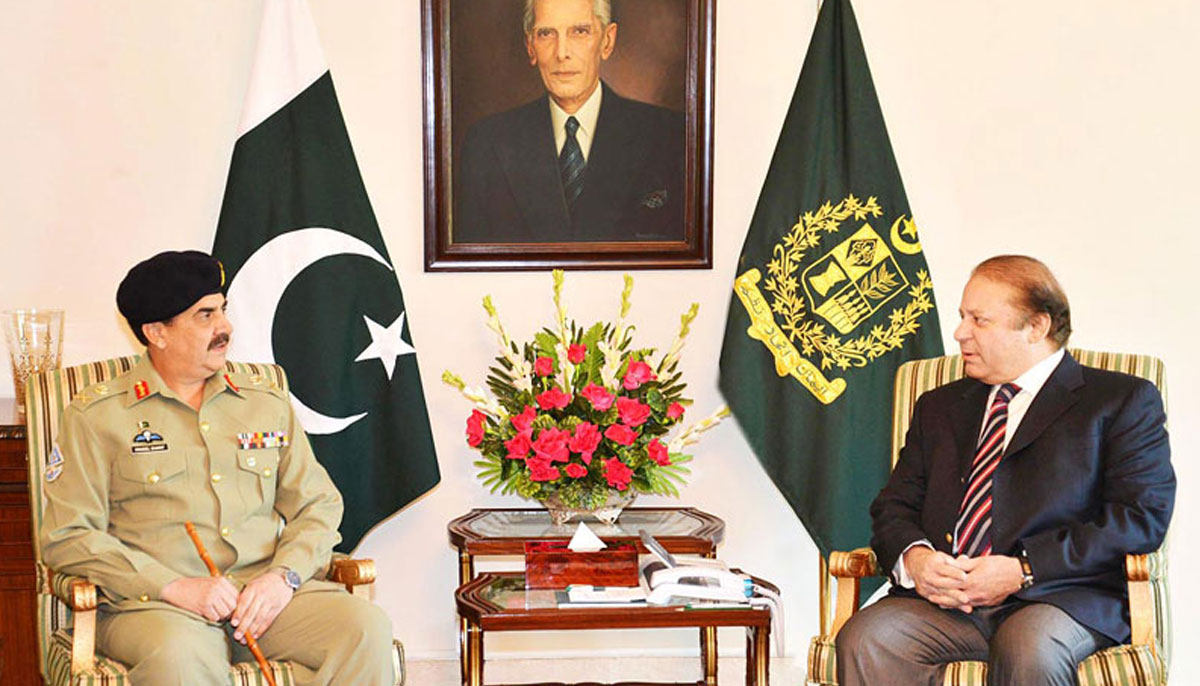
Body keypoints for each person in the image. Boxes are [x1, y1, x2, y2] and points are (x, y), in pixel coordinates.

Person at [40, 251, 394, 686]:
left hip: (262, 598)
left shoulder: (264, 401)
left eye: (222, 310)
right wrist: (172, 586)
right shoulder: (98, 415)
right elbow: (67, 536)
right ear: (157, 333)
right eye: (204, 315)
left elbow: (318, 505)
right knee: (182, 657)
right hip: (156, 606)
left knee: (363, 628)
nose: (224, 327)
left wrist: (284, 577)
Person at [836, 255, 1175, 686]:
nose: (960, 333)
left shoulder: (1119, 400)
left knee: (1028, 645)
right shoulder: (939, 407)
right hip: (946, 606)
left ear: (1036, 327)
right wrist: (916, 560)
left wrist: (1024, 569)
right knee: (869, 638)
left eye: (979, 320)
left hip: (1059, 598)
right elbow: (894, 507)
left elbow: (1140, 518)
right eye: (962, 317)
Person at [455, 0, 685, 243]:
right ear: (530, 46)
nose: (561, 52)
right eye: (546, 34)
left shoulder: (670, 136)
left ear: (607, 41)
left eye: (579, 32)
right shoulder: (487, 144)